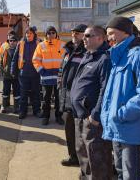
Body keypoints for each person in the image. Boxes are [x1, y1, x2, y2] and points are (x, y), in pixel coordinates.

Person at [101, 17, 140, 180]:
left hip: (129, 125)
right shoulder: (119, 54)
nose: (109, 38)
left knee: (130, 174)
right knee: (120, 170)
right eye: (108, 34)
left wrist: (121, 114)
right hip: (117, 124)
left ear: (126, 32)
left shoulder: (138, 54)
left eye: (112, 33)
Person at [71, 25, 113, 179]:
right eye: (85, 35)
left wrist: (95, 115)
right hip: (80, 114)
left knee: (97, 158)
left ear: (100, 38)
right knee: (83, 154)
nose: (84, 39)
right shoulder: (88, 55)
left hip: (93, 119)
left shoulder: (104, 59)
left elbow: (106, 90)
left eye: (88, 36)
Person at [58, 24, 87, 167]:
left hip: (79, 96)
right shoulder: (68, 50)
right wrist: (59, 81)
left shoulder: (86, 51)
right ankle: (73, 156)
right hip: (66, 95)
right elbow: (62, 69)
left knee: (80, 131)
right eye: (73, 32)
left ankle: (84, 162)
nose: (74, 35)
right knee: (69, 128)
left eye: (78, 33)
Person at [33, 26, 65, 125]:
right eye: (49, 33)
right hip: (46, 77)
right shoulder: (41, 45)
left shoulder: (63, 45)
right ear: (46, 35)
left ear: (56, 34)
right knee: (46, 99)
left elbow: (66, 59)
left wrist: (63, 72)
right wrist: (41, 71)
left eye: (53, 32)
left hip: (59, 77)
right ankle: (46, 116)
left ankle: (58, 116)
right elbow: (35, 60)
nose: (51, 35)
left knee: (59, 98)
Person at [11, 27, 41, 119]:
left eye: (30, 33)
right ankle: (22, 111)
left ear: (34, 34)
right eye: (27, 33)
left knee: (36, 93)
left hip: (36, 73)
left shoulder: (39, 43)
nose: (28, 35)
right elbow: (15, 58)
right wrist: (13, 70)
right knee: (23, 94)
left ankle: (37, 111)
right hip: (23, 74)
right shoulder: (21, 44)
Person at [0, 36, 20, 113]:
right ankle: (4, 106)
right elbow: (0, 62)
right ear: (9, 42)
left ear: (17, 42)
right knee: (5, 91)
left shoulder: (19, 51)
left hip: (16, 75)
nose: (12, 42)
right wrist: (3, 70)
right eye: (10, 41)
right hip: (7, 75)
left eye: (14, 41)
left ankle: (16, 107)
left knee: (17, 92)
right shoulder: (5, 50)